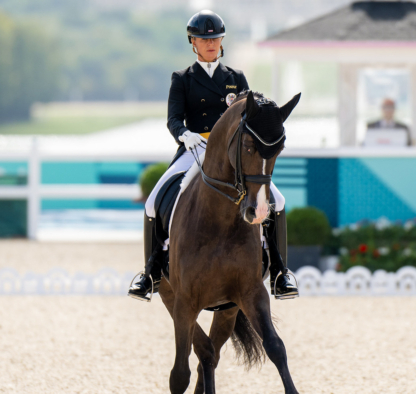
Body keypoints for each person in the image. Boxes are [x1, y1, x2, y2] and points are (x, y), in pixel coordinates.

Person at [127, 10, 299, 302]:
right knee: (154, 201)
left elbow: (251, 119)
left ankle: (281, 273)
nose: (211, 44)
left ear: (221, 41)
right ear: (193, 42)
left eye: (215, 39)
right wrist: (184, 134)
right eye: (204, 40)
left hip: (231, 155)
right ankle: (151, 272)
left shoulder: (235, 77)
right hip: (194, 150)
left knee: (277, 201)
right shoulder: (182, 79)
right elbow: (173, 119)